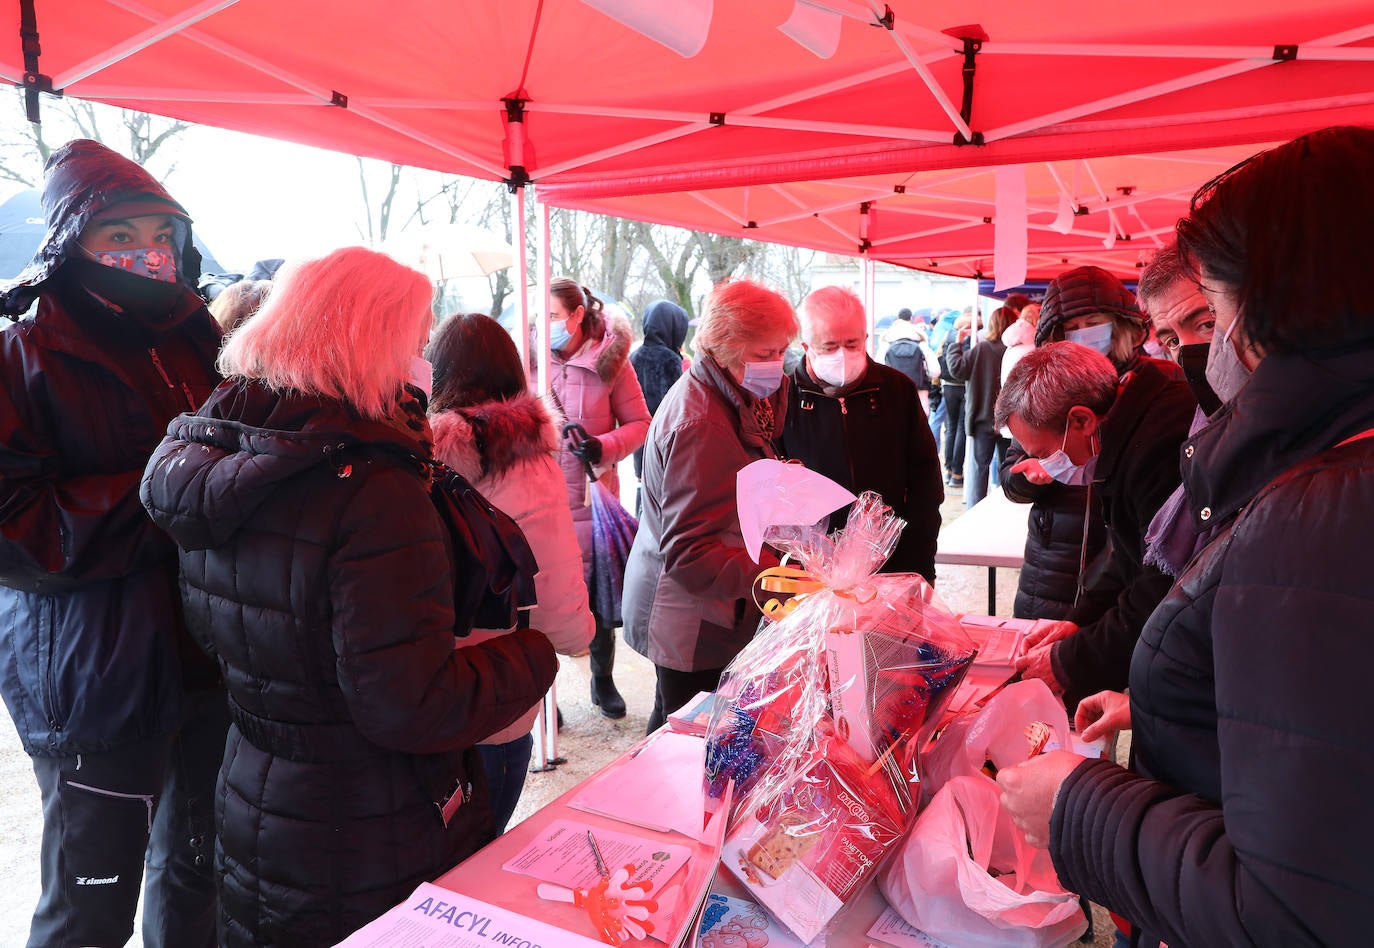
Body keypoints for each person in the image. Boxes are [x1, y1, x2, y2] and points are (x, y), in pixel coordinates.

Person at [999, 125, 1374, 948]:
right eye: (1171, 335)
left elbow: (1293, 912)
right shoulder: (1316, 476)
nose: (1203, 348)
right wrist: (1177, 700)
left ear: (1277, 304)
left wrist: (1076, 805)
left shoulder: (1323, 509)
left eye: (1215, 309)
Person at [139, 247, 559, 947]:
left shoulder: (225, 451)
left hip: (256, 791)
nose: (424, 357)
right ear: (373, 340)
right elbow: (407, 702)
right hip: (364, 822)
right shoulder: (369, 488)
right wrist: (533, 655)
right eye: (416, 339)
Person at [0, 139, 226, 948]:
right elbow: (14, 526)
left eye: (161, 237)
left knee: (198, 875)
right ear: (72, 245)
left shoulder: (199, 338)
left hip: (208, 657)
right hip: (97, 673)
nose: (149, 254)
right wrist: (160, 491)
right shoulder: (21, 354)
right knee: (88, 909)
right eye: (120, 237)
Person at [426, 312, 595, 835]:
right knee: (480, 848)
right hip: (499, 691)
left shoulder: (414, 455)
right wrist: (576, 635)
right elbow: (555, 569)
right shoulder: (527, 455)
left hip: (424, 689)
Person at [624, 279, 797, 735]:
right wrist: (777, 575)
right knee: (686, 740)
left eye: (781, 351)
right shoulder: (701, 420)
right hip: (691, 616)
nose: (776, 365)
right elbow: (690, 551)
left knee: (675, 727)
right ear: (724, 348)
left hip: (709, 607)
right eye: (763, 355)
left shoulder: (732, 395)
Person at [995, 341, 1193, 709]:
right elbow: (1129, 552)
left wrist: (1068, 662)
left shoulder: (1157, 445)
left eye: (1042, 453)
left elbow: (1161, 585)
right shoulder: (1126, 429)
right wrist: (1078, 620)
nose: (1044, 465)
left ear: (1082, 420)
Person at [997, 268, 1156, 622]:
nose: (1085, 334)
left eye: (1095, 321)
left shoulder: (1153, 389)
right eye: (1073, 327)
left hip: (1124, 567)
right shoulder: (1042, 388)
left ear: (1121, 325)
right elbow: (1010, 474)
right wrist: (1033, 476)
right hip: (1053, 565)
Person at [781, 286, 943, 580]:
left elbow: (926, 485)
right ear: (806, 347)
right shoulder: (784, 397)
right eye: (829, 347)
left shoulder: (897, 389)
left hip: (895, 565)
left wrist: (919, 567)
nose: (842, 355)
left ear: (866, 338)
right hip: (811, 576)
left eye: (852, 344)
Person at [546, 278, 651, 719]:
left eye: (553, 316)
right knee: (545, 598)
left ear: (575, 315)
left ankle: (602, 679)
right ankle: (544, 697)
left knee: (596, 594)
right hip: (543, 499)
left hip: (593, 500)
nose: (545, 325)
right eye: (541, 317)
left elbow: (640, 423)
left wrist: (603, 446)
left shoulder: (613, 362)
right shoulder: (530, 360)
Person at [945, 305, 1014, 506]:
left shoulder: (982, 348)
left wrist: (956, 344)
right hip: (1009, 421)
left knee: (979, 469)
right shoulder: (1014, 350)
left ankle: (975, 510)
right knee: (1007, 469)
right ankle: (1006, 508)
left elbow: (957, 369)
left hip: (982, 418)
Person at [629, 298, 689, 492]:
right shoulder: (670, 358)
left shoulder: (634, 356)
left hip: (640, 438)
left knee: (643, 488)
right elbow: (677, 405)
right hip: (664, 440)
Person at [937, 309, 971, 487]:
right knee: (961, 429)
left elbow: (938, 358)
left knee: (950, 428)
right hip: (964, 385)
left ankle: (948, 470)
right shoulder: (970, 339)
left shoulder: (947, 336)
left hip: (948, 387)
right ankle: (957, 473)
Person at [881, 306, 935, 414]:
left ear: (898, 318)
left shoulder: (886, 343)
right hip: (919, 390)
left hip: (893, 391)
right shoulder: (921, 343)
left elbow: (879, 368)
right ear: (911, 318)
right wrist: (924, 375)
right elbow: (935, 371)